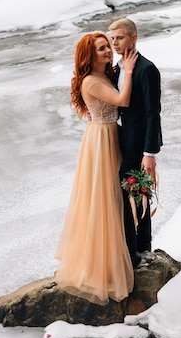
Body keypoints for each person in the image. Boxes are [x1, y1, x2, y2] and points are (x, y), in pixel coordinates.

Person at [55, 32, 138, 305]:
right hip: (101, 140)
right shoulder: (91, 81)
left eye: (107, 47)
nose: (107, 51)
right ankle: (102, 268)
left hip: (108, 134)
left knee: (112, 198)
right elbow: (122, 101)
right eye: (102, 48)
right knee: (104, 200)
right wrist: (128, 70)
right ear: (90, 56)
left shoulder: (104, 74)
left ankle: (111, 260)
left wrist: (119, 70)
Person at [109, 18, 163, 268]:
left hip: (139, 147)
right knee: (128, 196)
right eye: (113, 38)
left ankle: (142, 250)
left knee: (139, 196)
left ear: (134, 38)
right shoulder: (117, 68)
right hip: (120, 142)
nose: (115, 43)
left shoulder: (146, 68)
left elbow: (153, 113)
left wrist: (149, 152)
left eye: (120, 37)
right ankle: (133, 249)